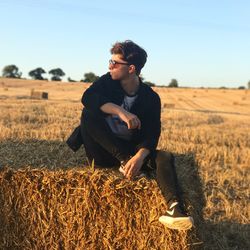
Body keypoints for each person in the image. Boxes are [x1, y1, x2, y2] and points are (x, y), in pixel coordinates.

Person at [67, 40, 194, 230]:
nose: (109, 66)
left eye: (114, 63)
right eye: (109, 62)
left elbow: (152, 133)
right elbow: (88, 98)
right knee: (88, 114)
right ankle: (124, 161)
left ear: (131, 68)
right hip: (103, 151)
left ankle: (175, 209)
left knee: (164, 157)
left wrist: (140, 156)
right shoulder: (107, 82)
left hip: (131, 149)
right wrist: (120, 111)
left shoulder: (150, 98)